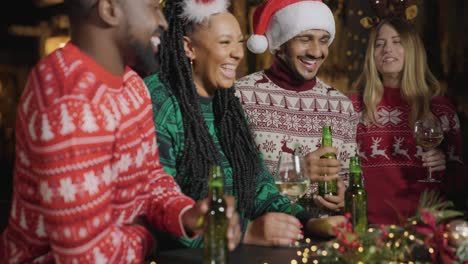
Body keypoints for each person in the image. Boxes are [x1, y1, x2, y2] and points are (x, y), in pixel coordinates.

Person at [0, 0, 241, 262]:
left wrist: (188, 215)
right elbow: (86, 257)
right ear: (109, 9)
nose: (162, 22)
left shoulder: (132, 84)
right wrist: (150, 238)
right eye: (151, 8)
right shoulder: (68, 100)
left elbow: (149, 178)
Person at [145, 0, 345, 248]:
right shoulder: (159, 100)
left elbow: (259, 186)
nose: (238, 53)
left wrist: (308, 221)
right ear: (189, 47)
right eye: (225, 42)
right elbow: (156, 206)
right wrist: (246, 232)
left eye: (239, 42)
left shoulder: (227, 104)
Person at [236, 0, 358, 213]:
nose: (316, 51)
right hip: (265, 237)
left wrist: (344, 196)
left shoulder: (340, 106)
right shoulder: (240, 97)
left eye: (324, 40)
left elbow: (353, 183)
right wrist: (296, 174)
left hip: (325, 236)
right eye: (305, 39)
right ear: (281, 43)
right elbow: (231, 182)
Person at [350, 17, 464, 225]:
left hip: (425, 229)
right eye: (380, 44)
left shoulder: (440, 110)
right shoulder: (353, 106)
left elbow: (460, 183)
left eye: (397, 42)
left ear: (413, 51)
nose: (387, 49)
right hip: (366, 229)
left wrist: (444, 164)